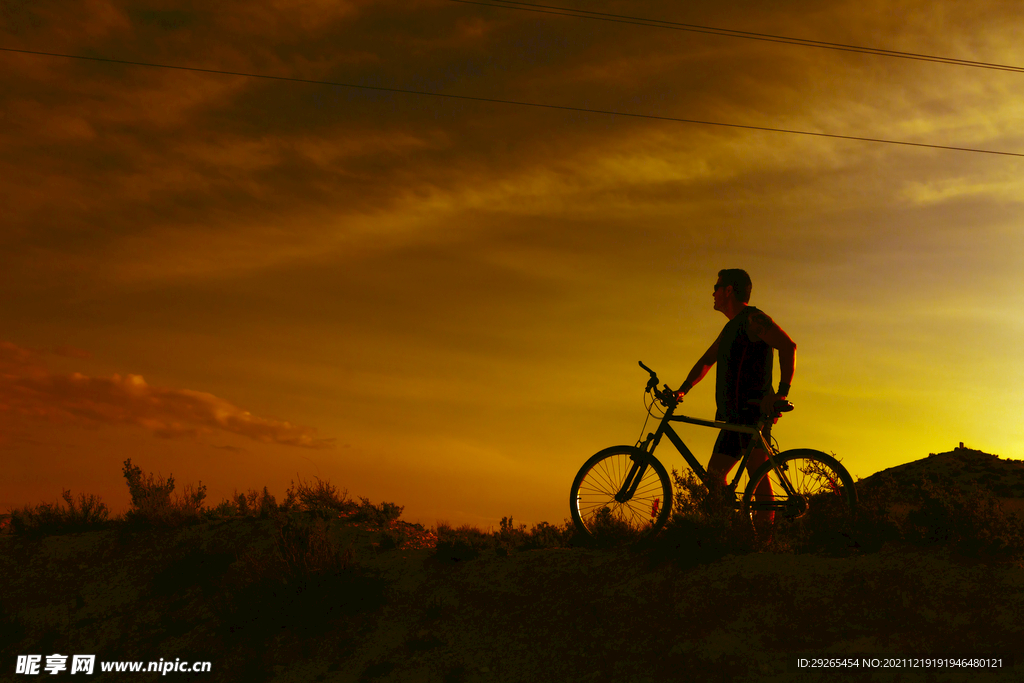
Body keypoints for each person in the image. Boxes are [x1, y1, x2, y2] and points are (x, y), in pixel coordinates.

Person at [676, 269, 796, 523]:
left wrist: (780, 394)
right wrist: (683, 389)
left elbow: (788, 346)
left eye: (717, 286)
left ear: (729, 290)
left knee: (742, 477)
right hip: (734, 416)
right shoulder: (731, 329)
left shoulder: (754, 319)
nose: (713, 292)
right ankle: (743, 540)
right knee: (730, 475)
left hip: (749, 413)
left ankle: (753, 541)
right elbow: (707, 360)